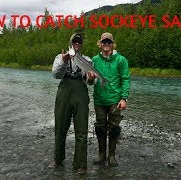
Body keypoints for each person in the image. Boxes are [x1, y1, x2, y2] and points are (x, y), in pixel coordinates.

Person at [49, 33, 95, 174]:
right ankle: (58, 158)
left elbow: (91, 82)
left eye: (79, 42)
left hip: (80, 93)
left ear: (81, 44)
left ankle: (80, 164)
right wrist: (64, 60)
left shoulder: (87, 60)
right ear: (70, 43)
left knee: (81, 129)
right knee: (60, 127)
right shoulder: (59, 56)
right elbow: (56, 75)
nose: (77, 43)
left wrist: (92, 79)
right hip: (63, 92)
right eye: (74, 41)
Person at [91, 32, 130, 167]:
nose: (106, 44)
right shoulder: (94, 60)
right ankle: (101, 155)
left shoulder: (121, 60)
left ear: (113, 44)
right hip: (99, 100)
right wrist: (90, 79)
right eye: (104, 42)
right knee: (100, 128)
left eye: (109, 42)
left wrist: (124, 98)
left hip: (115, 100)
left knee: (114, 128)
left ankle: (111, 156)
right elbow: (91, 81)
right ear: (100, 44)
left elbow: (125, 79)